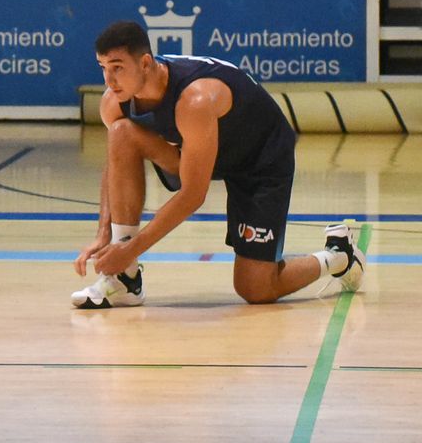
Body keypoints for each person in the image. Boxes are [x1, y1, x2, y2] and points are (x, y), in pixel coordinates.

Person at [71, 21, 364, 309]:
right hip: (198, 150)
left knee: (256, 288)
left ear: (145, 63)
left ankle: (339, 256)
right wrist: (104, 234)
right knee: (121, 134)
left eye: (117, 67)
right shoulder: (114, 101)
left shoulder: (195, 99)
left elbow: (192, 196)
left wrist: (131, 249)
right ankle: (124, 279)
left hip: (260, 159)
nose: (109, 80)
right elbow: (116, 162)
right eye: (103, 67)